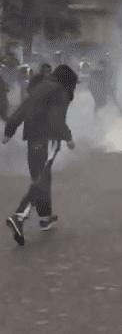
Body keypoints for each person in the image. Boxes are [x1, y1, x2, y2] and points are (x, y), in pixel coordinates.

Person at [2, 64, 78, 246]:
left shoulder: (41, 86)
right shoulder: (60, 90)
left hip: (32, 138)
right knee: (41, 180)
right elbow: (56, 118)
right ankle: (19, 216)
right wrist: (68, 137)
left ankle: (45, 217)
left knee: (42, 178)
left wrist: (9, 131)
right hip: (48, 138)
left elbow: (22, 109)